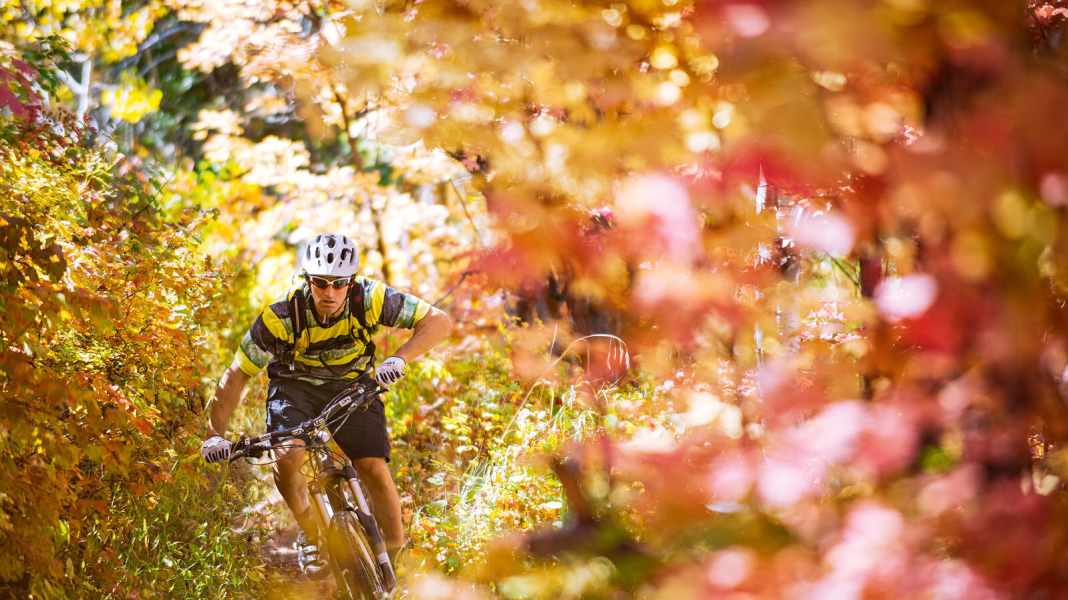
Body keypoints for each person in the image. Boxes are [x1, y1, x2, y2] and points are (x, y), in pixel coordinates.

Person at [199, 233, 453, 575]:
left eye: (339, 284)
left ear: (351, 282)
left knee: (372, 467)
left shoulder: (370, 297)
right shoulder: (281, 316)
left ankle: (395, 557)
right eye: (320, 283)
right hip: (294, 388)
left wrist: (399, 360)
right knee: (287, 456)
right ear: (307, 279)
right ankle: (314, 536)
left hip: (353, 384)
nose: (329, 292)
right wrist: (214, 434)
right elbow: (237, 375)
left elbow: (438, 321)